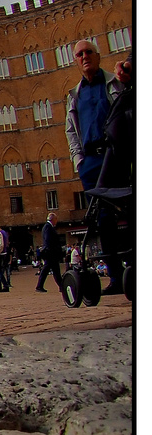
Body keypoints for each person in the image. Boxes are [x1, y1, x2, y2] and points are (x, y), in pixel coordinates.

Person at [65, 40, 131, 294]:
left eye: (88, 52)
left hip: (117, 155)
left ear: (98, 56)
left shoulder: (115, 84)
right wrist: (79, 161)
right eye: (79, 54)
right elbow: (71, 131)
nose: (84, 57)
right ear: (75, 60)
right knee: (103, 220)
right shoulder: (75, 94)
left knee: (129, 209)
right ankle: (115, 276)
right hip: (91, 162)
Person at [34, 211, 64, 293]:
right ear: (53, 219)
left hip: (51, 253)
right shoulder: (48, 227)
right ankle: (39, 286)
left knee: (54, 270)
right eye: (56, 219)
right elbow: (48, 240)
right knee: (49, 270)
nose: (56, 221)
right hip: (51, 253)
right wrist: (51, 250)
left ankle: (61, 286)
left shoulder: (48, 227)